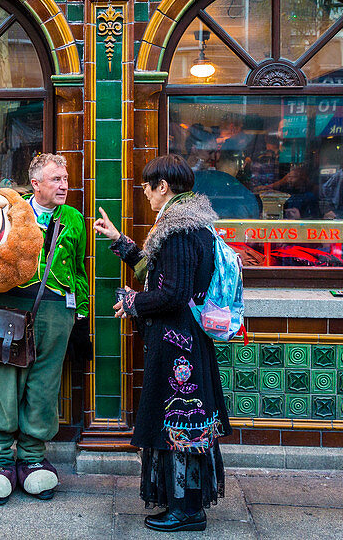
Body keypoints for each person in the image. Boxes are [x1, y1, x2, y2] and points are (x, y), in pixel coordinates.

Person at [94, 154, 230, 533]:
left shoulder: (178, 231)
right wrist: (121, 242)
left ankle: (187, 511)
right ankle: (183, 505)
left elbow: (172, 292)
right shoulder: (186, 225)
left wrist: (133, 301)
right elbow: (160, 271)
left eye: (147, 186)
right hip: (183, 340)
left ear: (163, 187)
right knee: (182, 420)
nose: (145, 193)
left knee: (179, 421)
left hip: (178, 347)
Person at [0, 153, 88, 505]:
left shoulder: (73, 219)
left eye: (65, 178)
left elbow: (79, 270)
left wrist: (80, 317)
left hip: (54, 310)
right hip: (3, 305)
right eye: (56, 179)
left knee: (43, 384)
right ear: (36, 184)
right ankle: (0, 459)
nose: (64, 184)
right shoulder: (7, 209)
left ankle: (33, 458)